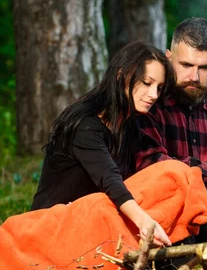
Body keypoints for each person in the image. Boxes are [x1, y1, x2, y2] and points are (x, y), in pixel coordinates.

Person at [31, 41, 176, 247]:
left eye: (159, 88)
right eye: (146, 82)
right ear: (121, 75)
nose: (153, 94)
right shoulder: (85, 125)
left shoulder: (130, 127)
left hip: (90, 225)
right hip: (51, 228)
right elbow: (110, 179)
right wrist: (144, 222)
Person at [136, 17, 207, 240]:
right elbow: (153, 164)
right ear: (168, 58)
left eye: (204, 68)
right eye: (186, 65)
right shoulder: (150, 103)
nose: (194, 77)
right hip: (167, 203)